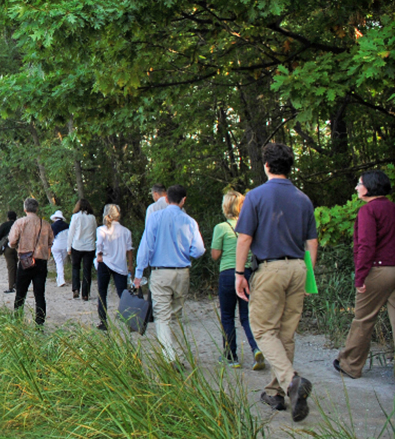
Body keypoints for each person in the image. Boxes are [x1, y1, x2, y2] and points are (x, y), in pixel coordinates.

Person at [235, 143, 318, 422]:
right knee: (286, 332)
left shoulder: (256, 196)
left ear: (267, 166)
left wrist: (239, 274)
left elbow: (245, 237)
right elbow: (312, 242)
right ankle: (276, 392)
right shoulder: (303, 198)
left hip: (270, 268)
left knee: (262, 330)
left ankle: (291, 380)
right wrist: (309, 275)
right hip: (298, 268)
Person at [134, 185, 205, 368]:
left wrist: (138, 273)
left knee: (162, 317)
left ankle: (170, 357)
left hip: (160, 272)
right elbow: (198, 250)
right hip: (182, 272)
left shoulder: (155, 218)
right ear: (183, 200)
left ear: (166, 199)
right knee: (177, 315)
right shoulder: (190, 221)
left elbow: (146, 246)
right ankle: (179, 355)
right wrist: (185, 251)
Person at [335, 170, 395, 379]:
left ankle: (350, 364)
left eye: (359, 184)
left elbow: (366, 245)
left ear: (369, 187)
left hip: (378, 271)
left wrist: (360, 277)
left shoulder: (368, 211)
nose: (357, 188)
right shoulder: (392, 208)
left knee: (364, 319)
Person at [211, 191, 264, 370]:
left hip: (227, 274)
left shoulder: (221, 227)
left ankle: (231, 356)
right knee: (246, 316)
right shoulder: (250, 226)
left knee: (227, 316)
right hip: (247, 273)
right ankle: (256, 348)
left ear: (226, 207)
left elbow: (215, 254)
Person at [8, 198, 55, 326]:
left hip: (25, 261)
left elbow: (12, 242)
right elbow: (51, 242)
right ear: (37, 209)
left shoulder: (20, 223)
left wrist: (19, 246)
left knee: (20, 294)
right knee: (40, 294)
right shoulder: (45, 224)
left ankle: (17, 321)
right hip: (41, 262)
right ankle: (39, 324)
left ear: (25, 209)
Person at [95, 204, 133, 331]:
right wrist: (130, 265)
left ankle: (103, 321)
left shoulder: (102, 229)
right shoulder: (126, 231)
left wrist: (99, 255)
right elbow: (129, 250)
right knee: (123, 293)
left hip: (105, 262)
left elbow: (99, 244)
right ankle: (130, 320)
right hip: (120, 264)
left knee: (102, 292)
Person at [67, 199, 97, 300]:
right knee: (87, 270)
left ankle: (75, 288)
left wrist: (68, 247)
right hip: (89, 246)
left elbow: (71, 232)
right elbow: (94, 231)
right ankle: (85, 293)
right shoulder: (92, 217)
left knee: (75, 267)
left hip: (77, 245)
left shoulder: (75, 217)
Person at [0, 211, 19, 293]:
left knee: (11, 266)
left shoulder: (5, 225)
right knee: (18, 265)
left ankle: (11, 286)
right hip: (19, 247)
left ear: (8, 217)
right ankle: (18, 284)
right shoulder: (19, 224)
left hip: (8, 248)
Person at [50, 211, 70, 287]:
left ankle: (61, 279)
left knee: (59, 262)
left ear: (55, 218)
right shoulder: (67, 226)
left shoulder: (52, 226)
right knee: (62, 262)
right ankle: (60, 278)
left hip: (56, 245)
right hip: (65, 246)